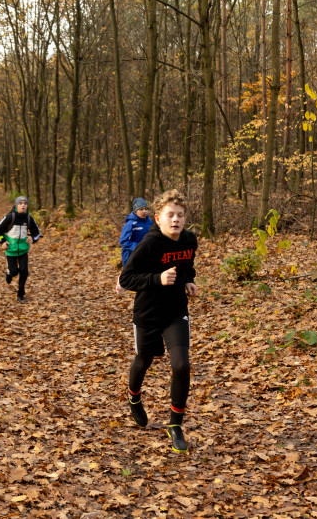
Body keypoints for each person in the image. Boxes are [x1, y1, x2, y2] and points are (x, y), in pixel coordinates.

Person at [118, 189, 198, 453]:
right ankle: (134, 396)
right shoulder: (149, 244)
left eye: (180, 215)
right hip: (148, 314)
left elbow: (188, 264)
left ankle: (175, 425)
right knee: (144, 359)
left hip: (175, 311)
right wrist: (157, 279)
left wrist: (189, 280)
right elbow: (127, 279)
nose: (175, 220)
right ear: (157, 219)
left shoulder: (188, 240)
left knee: (182, 365)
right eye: (170, 215)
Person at [0, 196, 41, 303]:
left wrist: (33, 239)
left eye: (25, 203)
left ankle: (21, 294)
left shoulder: (29, 218)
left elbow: (37, 232)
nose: (23, 205)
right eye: (20, 203)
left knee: (24, 271)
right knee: (14, 272)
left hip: (23, 250)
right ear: (16, 205)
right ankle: (9, 272)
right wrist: (2, 242)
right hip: (11, 250)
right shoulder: (10, 217)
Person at [119, 197, 152, 267]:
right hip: (131, 256)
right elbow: (123, 241)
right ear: (135, 211)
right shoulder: (130, 224)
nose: (144, 211)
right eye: (141, 209)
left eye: (146, 209)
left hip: (146, 254)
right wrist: (137, 247)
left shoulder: (149, 222)